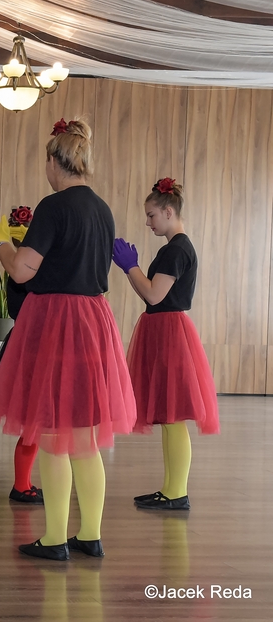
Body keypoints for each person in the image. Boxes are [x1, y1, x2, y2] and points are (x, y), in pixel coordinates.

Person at [0, 119, 136, 561]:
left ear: (54, 161)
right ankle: (89, 535)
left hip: (55, 322)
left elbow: (21, 271)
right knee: (84, 441)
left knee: (51, 437)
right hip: (94, 321)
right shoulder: (102, 209)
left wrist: (0, 242)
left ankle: (53, 540)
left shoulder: (53, 206)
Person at [113, 178, 218, 511]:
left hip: (169, 334)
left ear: (169, 212)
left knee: (174, 417)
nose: (148, 223)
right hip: (163, 330)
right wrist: (132, 270)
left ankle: (176, 492)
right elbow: (151, 296)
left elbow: (154, 294)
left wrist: (131, 267)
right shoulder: (174, 248)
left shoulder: (176, 249)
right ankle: (171, 489)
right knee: (170, 419)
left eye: (151, 215)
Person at [0, 205, 43, 505]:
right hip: (32, 346)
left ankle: (24, 482)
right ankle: (21, 484)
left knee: (35, 422)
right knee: (34, 421)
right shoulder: (24, 273)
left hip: (27, 343)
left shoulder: (20, 270)